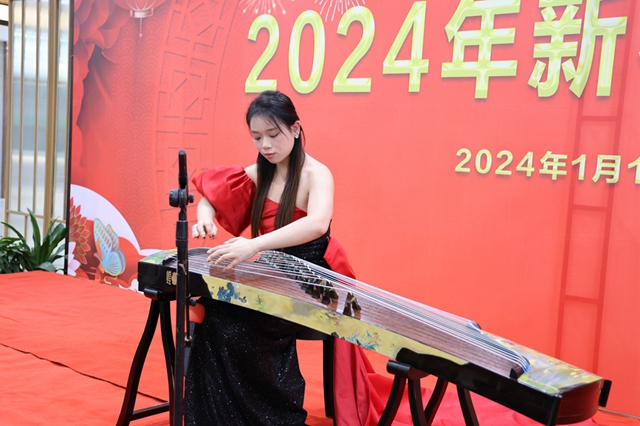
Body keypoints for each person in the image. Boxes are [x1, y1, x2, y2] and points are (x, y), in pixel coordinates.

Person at [185, 90, 358, 425]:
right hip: (271, 273)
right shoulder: (262, 170)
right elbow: (211, 193)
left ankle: (273, 415)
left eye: (273, 134)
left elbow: (317, 223)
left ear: (295, 128)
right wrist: (204, 217)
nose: (265, 145)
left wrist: (254, 245)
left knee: (231, 324)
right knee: (214, 310)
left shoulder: (317, 174)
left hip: (310, 278)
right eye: (257, 137)